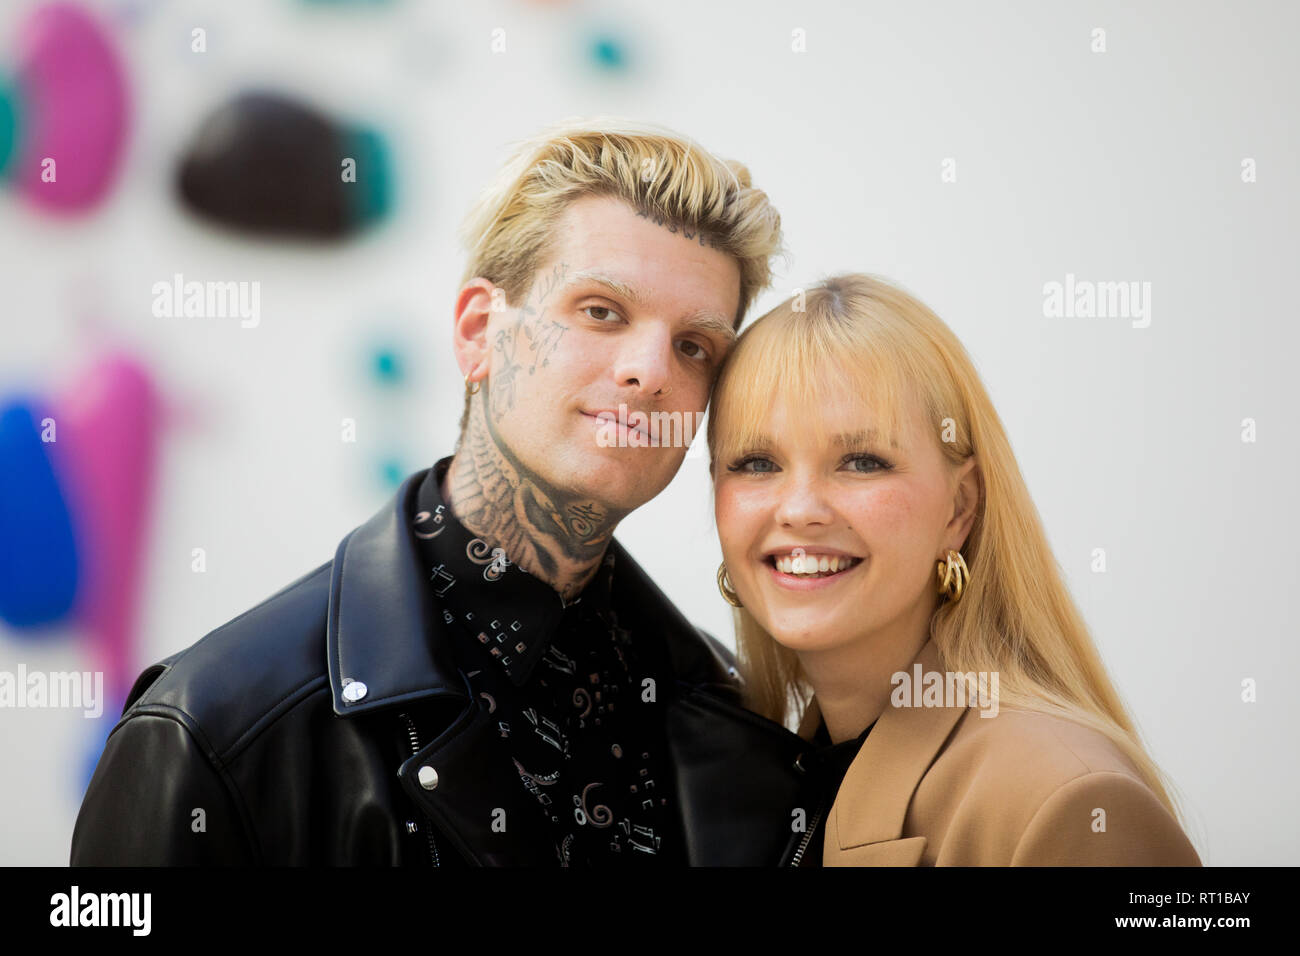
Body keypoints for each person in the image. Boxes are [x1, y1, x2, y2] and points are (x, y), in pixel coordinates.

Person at [70, 118, 813, 866]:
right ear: (479, 330)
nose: (651, 371)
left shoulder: (728, 715)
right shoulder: (218, 731)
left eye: (694, 347)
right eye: (600, 311)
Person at [708, 274, 1202, 866]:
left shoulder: (1068, 801)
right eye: (757, 463)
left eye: (862, 462)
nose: (799, 510)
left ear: (959, 508)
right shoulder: (786, 761)